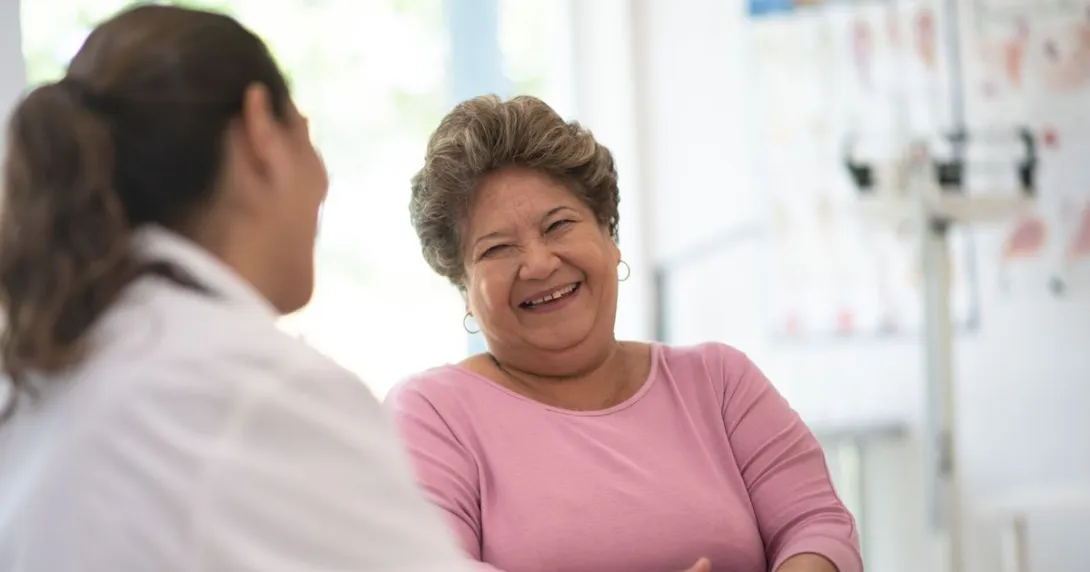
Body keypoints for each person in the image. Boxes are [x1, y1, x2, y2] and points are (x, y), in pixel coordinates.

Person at [0, 6, 468, 571]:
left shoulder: (52, 366)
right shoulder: (253, 390)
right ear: (259, 132)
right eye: (306, 132)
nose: (323, 179)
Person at [387, 95, 863, 572]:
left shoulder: (720, 382)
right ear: (465, 287)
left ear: (609, 237)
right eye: (497, 249)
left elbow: (816, 525)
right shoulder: (432, 414)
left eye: (559, 225)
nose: (538, 263)